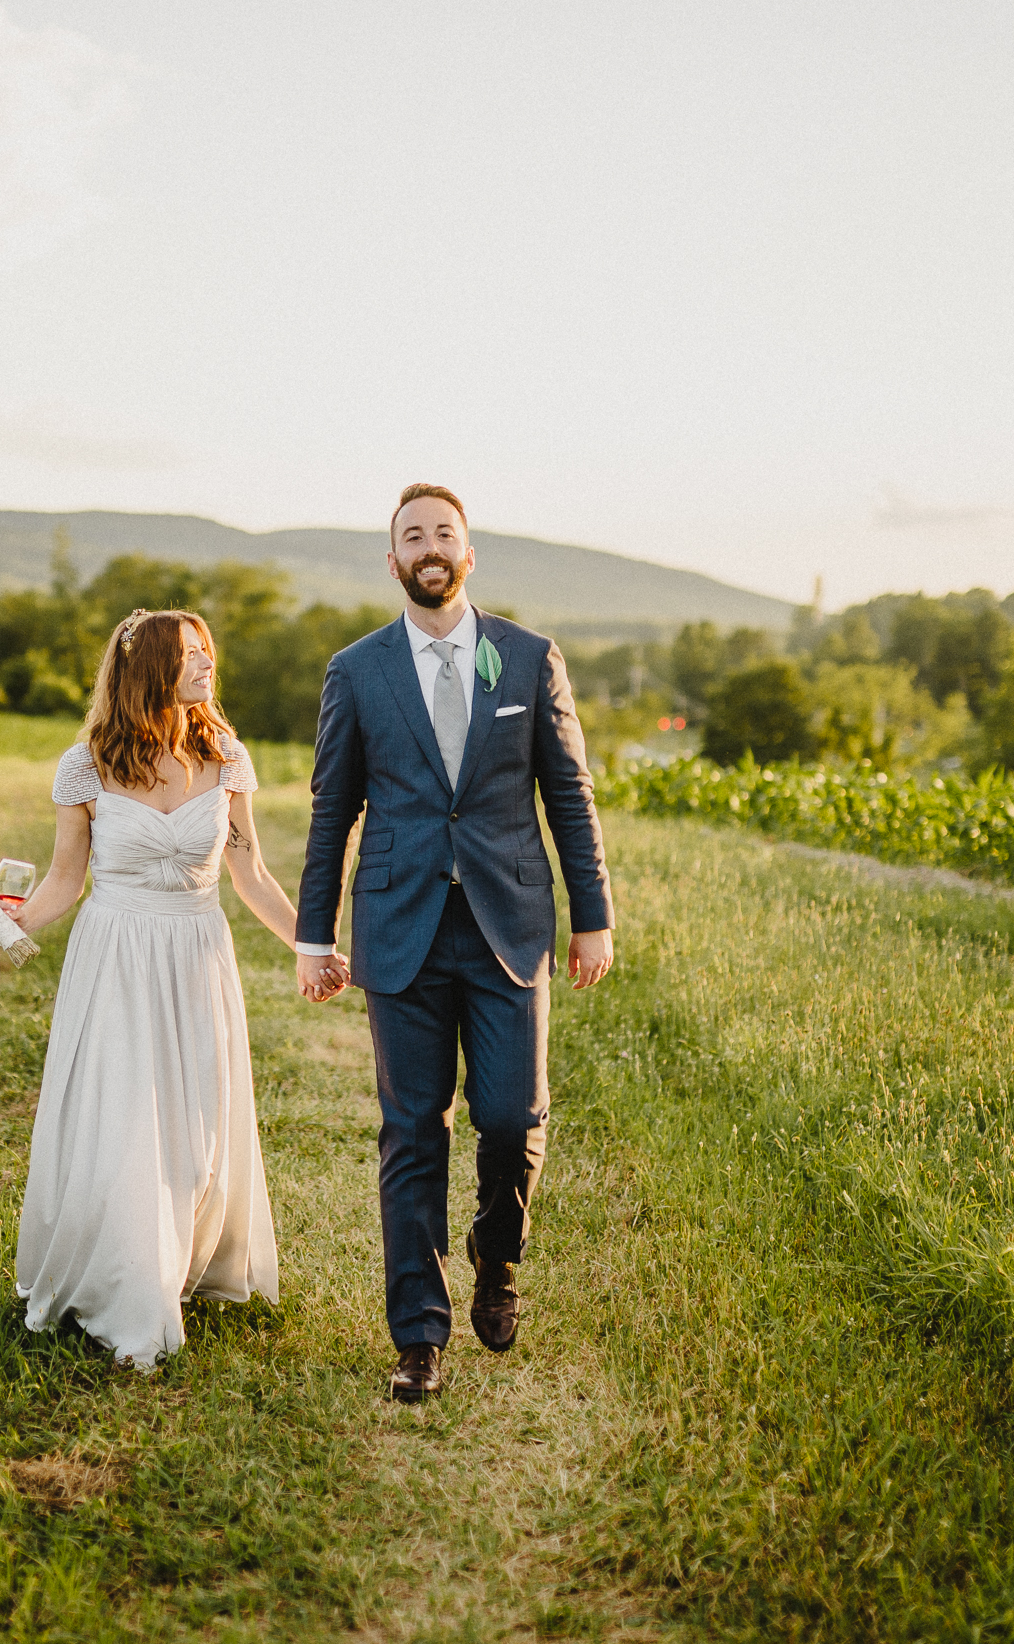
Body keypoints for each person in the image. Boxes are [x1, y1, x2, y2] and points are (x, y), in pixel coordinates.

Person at [295, 483, 614, 1404]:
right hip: (399, 932)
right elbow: (332, 812)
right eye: (412, 536)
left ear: (468, 554)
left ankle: (497, 1253)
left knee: (513, 1119)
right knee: (411, 1131)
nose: (430, 547)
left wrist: (591, 914)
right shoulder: (356, 671)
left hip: (509, 927)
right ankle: (419, 1338)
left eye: (445, 534)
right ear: (391, 561)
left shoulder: (526, 658)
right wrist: (316, 934)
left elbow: (570, 795)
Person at [9, 608, 347, 1368]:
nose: (206, 666)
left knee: (195, 1128)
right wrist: (8, 926)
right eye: (190, 655)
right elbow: (65, 878)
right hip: (116, 956)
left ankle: (187, 1257)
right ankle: (130, 1290)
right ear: (148, 667)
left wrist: (312, 945)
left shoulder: (227, 759)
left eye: (207, 653)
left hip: (197, 954)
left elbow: (250, 873)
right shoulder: (86, 764)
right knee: (124, 1119)